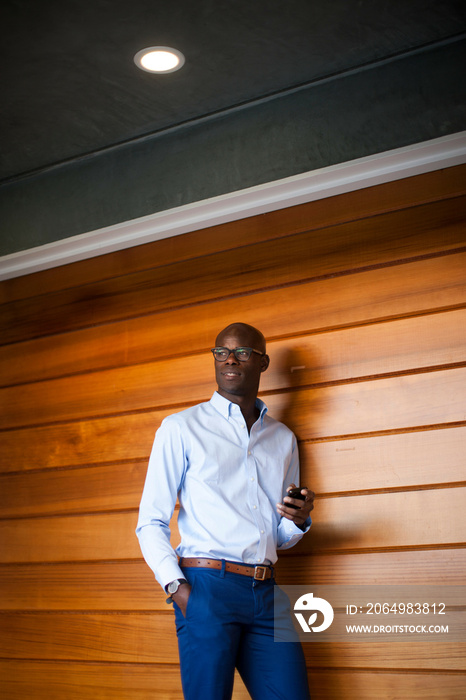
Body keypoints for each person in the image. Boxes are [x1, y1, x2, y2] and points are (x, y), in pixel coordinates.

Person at [136, 322, 314, 700]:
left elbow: (278, 535)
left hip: (266, 593)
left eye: (243, 352)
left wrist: (296, 520)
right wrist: (178, 589)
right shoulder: (180, 428)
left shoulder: (283, 439)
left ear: (262, 363)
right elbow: (150, 521)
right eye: (222, 352)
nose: (230, 360)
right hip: (206, 589)